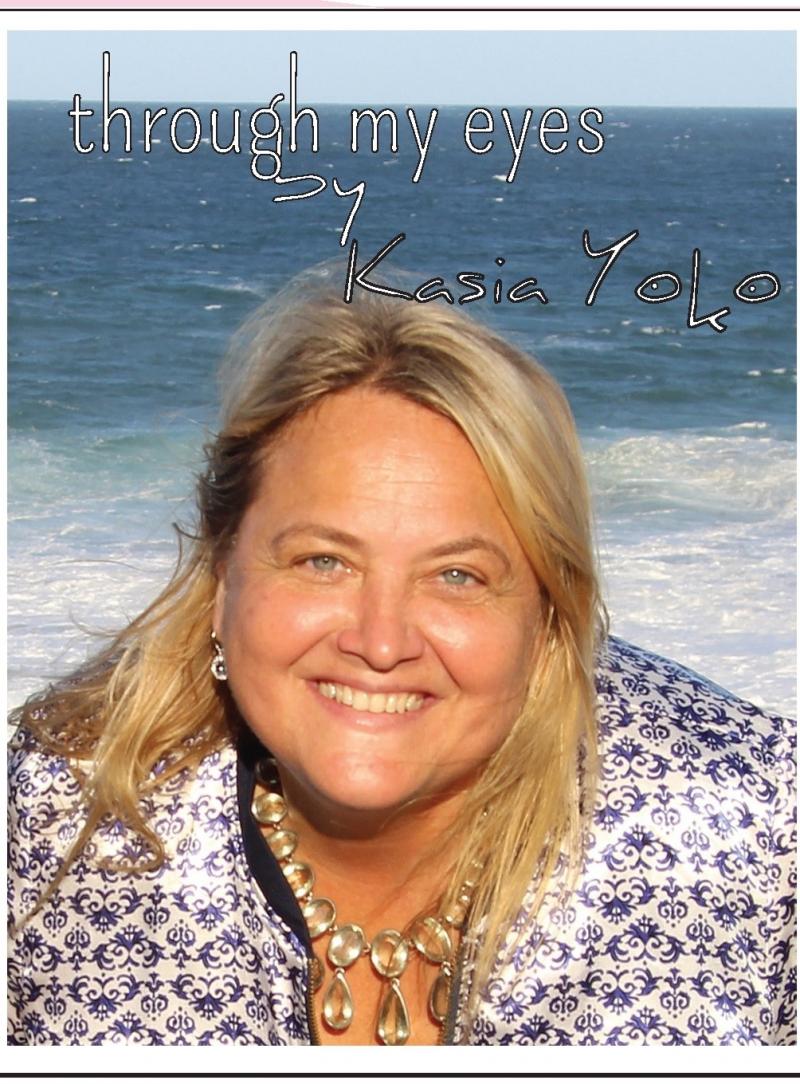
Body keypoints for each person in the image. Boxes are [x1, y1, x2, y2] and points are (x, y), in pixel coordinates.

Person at [8, 279, 796, 1046]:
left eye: (458, 576)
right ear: (223, 577)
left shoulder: (754, 829)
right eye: (323, 561)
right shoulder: (55, 817)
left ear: (549, 615)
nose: (380, 643)